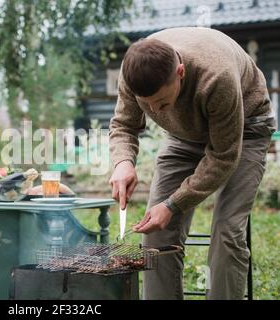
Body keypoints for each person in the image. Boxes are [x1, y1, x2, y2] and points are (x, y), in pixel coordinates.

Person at [109, 27, 276, 300]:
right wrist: (123, 162)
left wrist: (173, 204)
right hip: (184, 135)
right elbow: (124, 125)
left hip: (245, 130)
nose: (155, 112)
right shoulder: (133, 74)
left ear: (181, 73)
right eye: (147, 105)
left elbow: (223, 157)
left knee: (226, 231)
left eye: (161, 102)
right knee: (155, 235)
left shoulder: (216, 77)